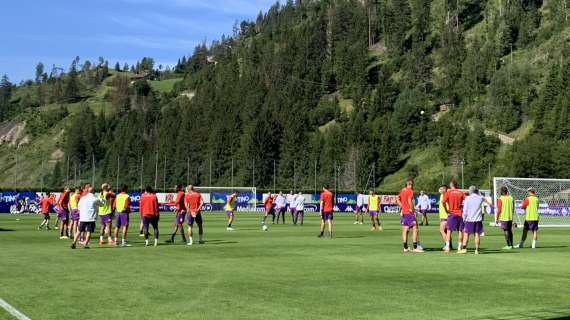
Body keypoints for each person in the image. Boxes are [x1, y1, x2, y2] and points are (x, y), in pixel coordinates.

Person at [71, 183, 105, 249]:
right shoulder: (95, 199)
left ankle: (74, 243)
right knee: (89, 232)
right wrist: (102, 198)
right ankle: (85, 244)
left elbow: (79, 207)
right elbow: (102, 204)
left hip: (83, 217)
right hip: (91, 218)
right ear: (93, 192)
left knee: (79, 231)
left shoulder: (83, 198)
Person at [460, 186, 491, 254]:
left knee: (466, 234)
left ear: (470, 191)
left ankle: (464, 248)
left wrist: (464, 218)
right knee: (477, 234)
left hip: (469, 219)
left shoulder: (467, 198)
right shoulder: (480, 197)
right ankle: (476, 250)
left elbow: (465, 210)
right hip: (478, 219)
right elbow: (485, 200)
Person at [397, 178, 423, 253]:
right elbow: (409, 201)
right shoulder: (410, 191)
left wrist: (402, 206)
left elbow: (397, 199)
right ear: (411, 184)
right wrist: (413, 210)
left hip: (404, 213)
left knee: (405, 229)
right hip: (409, 213)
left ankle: (405, 247)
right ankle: (415, 247)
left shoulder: (402, 190)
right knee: (415, 229)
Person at [443, 180, 465, 253]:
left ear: (451, 185)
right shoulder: (461, 193)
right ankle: (459, 247)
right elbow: (465, 202)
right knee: (460, 231)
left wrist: (446, 210)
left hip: (452, 213)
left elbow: (443, 202)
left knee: (449, 231)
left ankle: (447, 247)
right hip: (460, 213)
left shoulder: (448, 193)